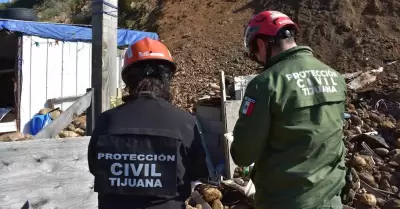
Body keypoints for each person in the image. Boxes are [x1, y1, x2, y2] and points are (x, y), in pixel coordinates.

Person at [230, 10, 347, 209]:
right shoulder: (335, 77)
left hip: (284, 201)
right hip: (331, 199)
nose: (257, 58)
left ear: (260, 44)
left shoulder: (265, 84)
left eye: (254, 53)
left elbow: (243, 155)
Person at [87, 38, 209, 209]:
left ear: (128, 80)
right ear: (167, 79)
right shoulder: (185, 122)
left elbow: (95, 167)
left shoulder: (106, 121)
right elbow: (200, 172)